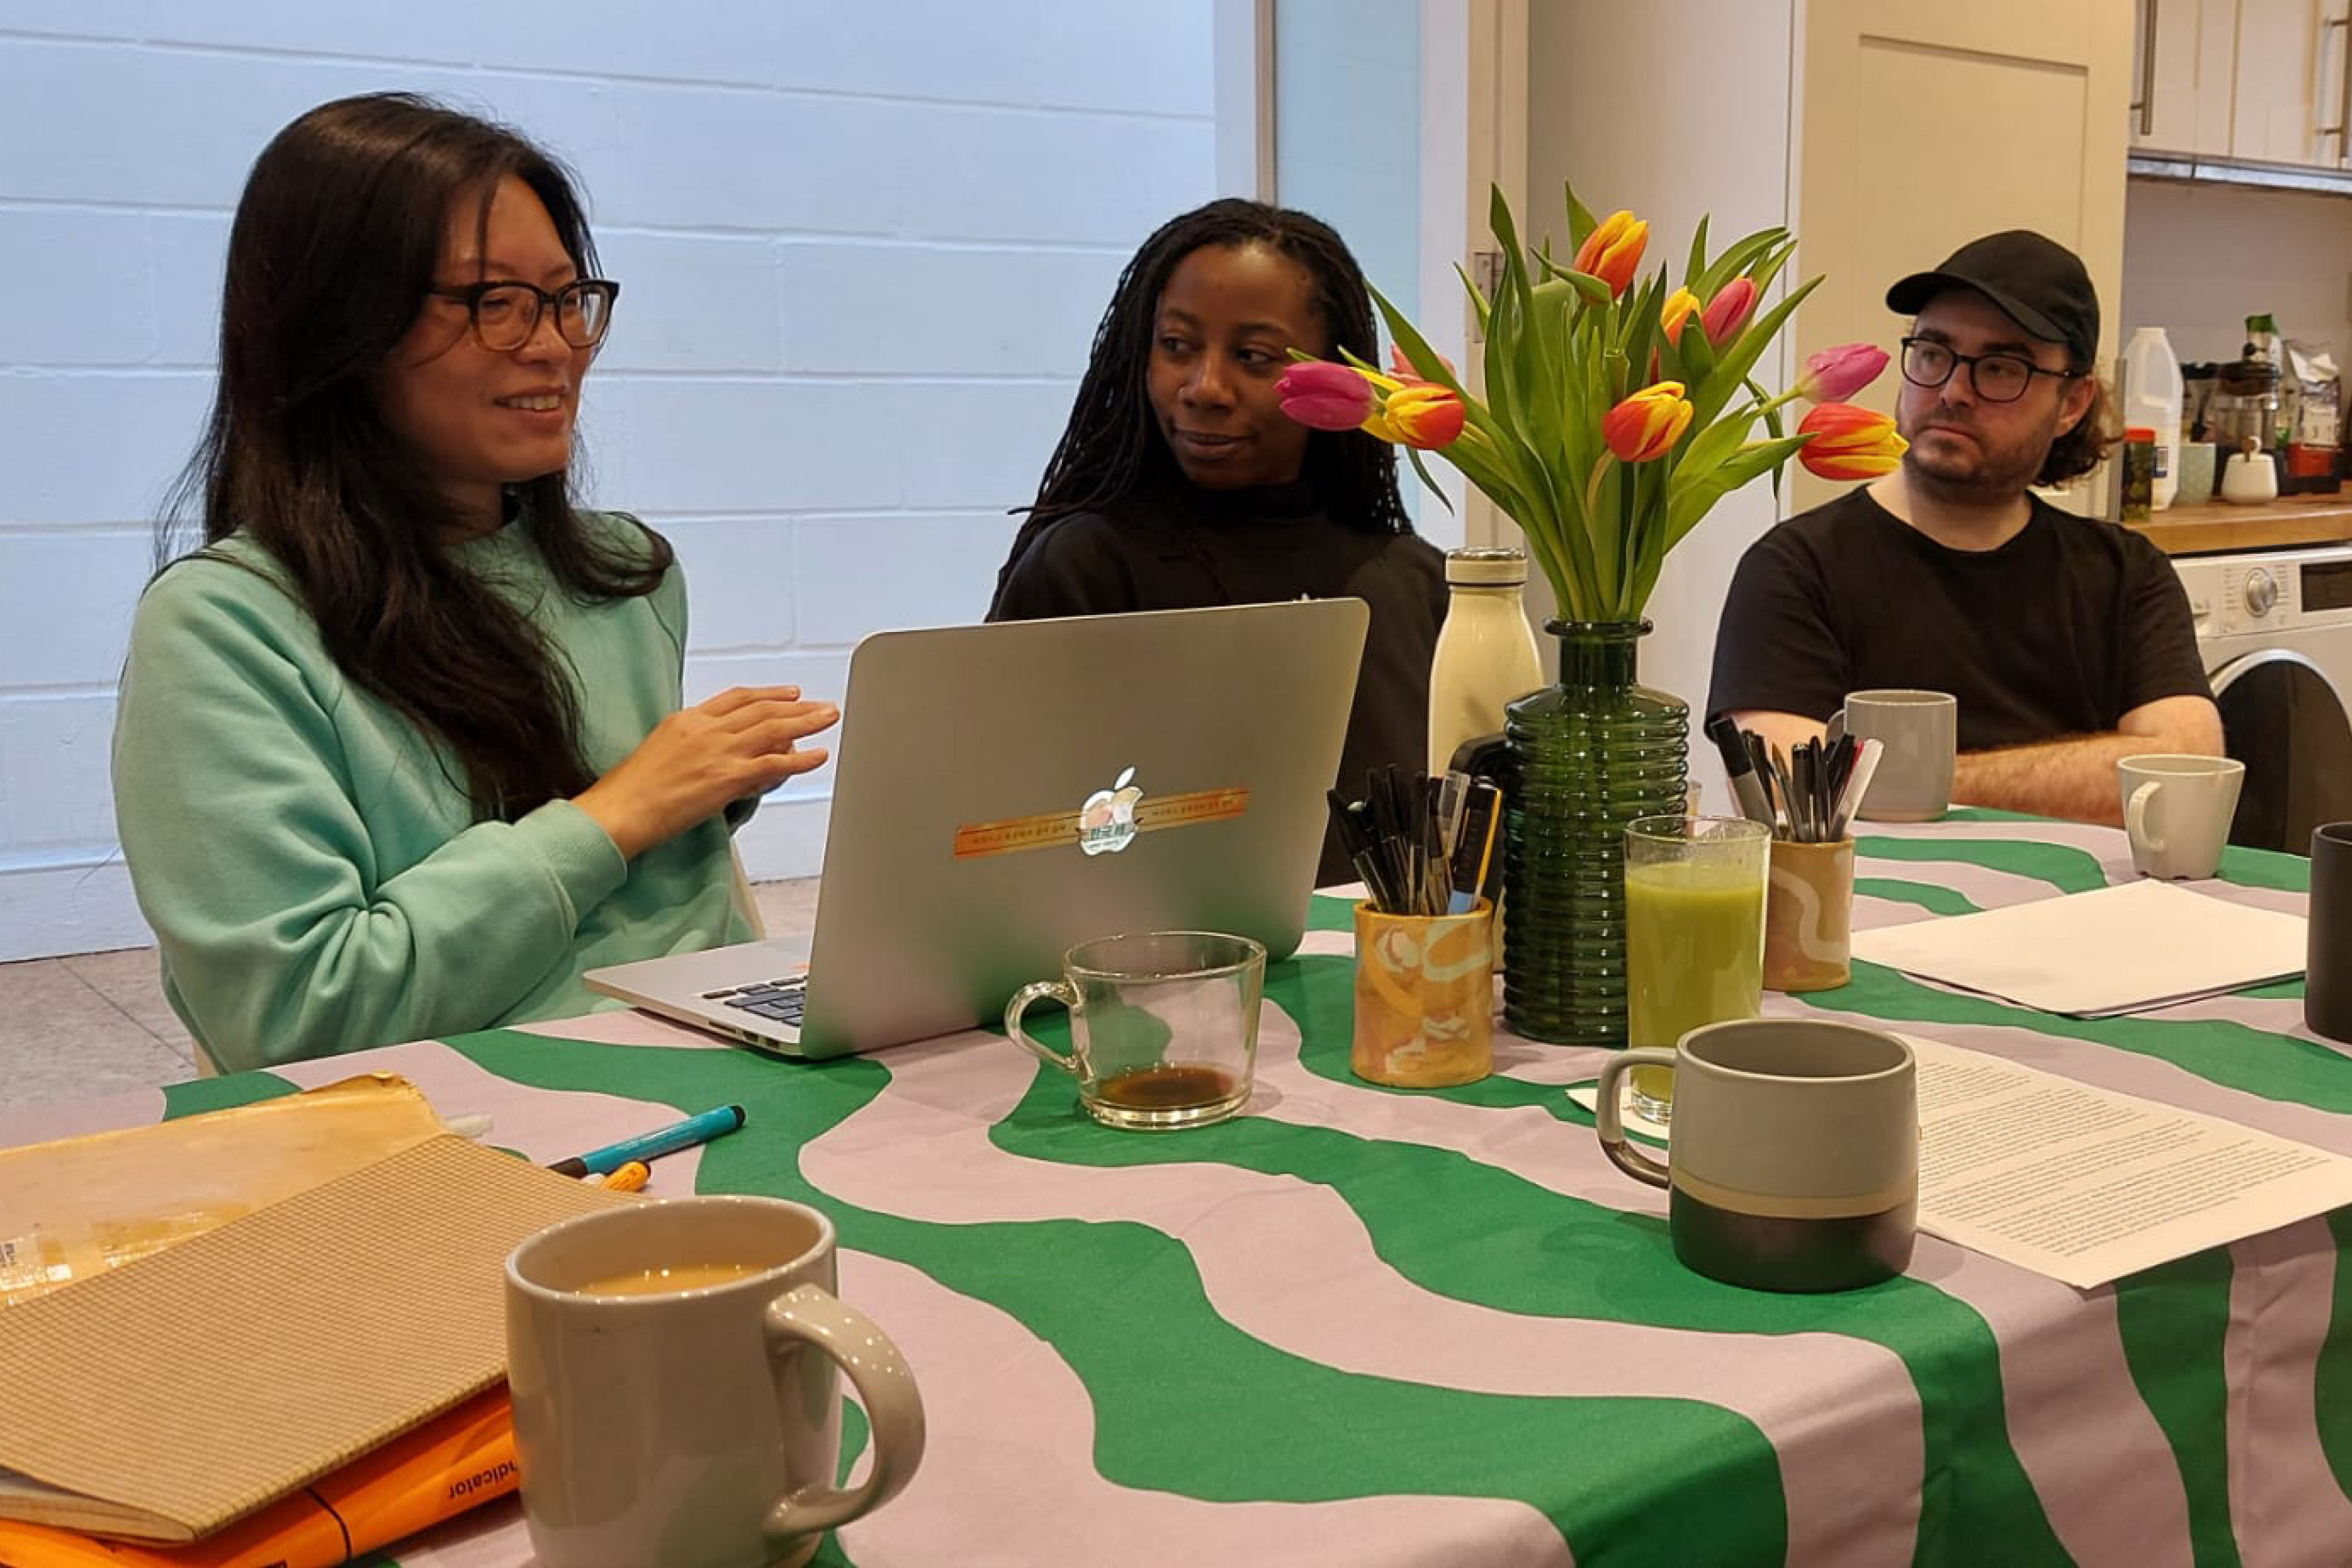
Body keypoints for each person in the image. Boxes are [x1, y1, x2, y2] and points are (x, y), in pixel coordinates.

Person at [112, 94, 839, 1071]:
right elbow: (294, 1021)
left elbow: (671, 933)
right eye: (493, 303)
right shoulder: (225, 626)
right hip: (461, 1133)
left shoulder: (629, 576)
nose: (552, 344)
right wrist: (616, 814)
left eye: (566, 298)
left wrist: (702, 797)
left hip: (721, 1074)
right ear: (340, 328)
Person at [987, 199, 1447, 882]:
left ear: (1333, 374)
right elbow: (1004, 832)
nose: (1204, 387)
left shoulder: (1411, 580)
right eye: (1176, 346)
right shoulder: (1084, 566)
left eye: (1253, 357)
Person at [1707, 229, 2221, 825]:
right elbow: (1788, 793)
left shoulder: (2125, 574)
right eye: (1932, 353)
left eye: (2001, 369)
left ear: (2073, 403)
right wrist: (2090, 775)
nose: (1952, 390)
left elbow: (2187, 773)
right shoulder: (1796, 567)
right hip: (1877, 916)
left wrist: (1909, 786)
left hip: (2089, 911)